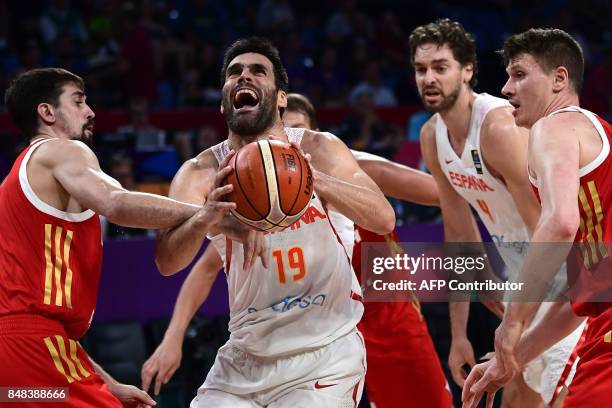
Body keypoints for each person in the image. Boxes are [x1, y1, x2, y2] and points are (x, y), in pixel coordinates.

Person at [142, 92, 451, 407]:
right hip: (316, 328)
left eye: (293, 133)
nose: (276, 152)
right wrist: (173, 337)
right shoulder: (260, 200)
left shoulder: (349, 167)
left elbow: (444, 193)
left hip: (383, 310)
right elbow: (205, 268)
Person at [154, 37, 395, 407]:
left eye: (257, 71)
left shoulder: (319, 148)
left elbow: (383, 216)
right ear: (223, 101)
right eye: (234, 73)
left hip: (324, 351)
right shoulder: (200, 173)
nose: (244, 77)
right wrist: (206, 217)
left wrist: (316, 181)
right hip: (245, 354)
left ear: (281, 97)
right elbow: (167, 262)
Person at [0, 68, 237, 407]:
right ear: (47, 112)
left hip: (17, 367)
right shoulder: (61, 150)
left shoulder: (13, 183)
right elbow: (116, 202)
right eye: (79, 101)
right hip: (36, 352)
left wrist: (106, 384)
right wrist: (204, 214)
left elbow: (43, 325)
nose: (91, 111)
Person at [411, 19, 584, 407]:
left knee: (569, 394)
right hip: (521, 278)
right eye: (421, 69)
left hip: (560, 278)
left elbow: (548, 225)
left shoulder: (498, 128)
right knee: (515, 397)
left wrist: (521, 317)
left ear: (468, 71)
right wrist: (459, 336)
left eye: (441, 67)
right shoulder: (430, 137)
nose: (429, 78)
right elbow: (458, 234)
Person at [463, 28, 612, 408]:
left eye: (519, 74)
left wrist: (513, 319)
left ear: (559, 79)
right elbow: (583, 295)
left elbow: (560, 224)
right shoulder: (587, 139)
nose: (506, 89)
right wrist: (511, 360)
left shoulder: (555, 126)